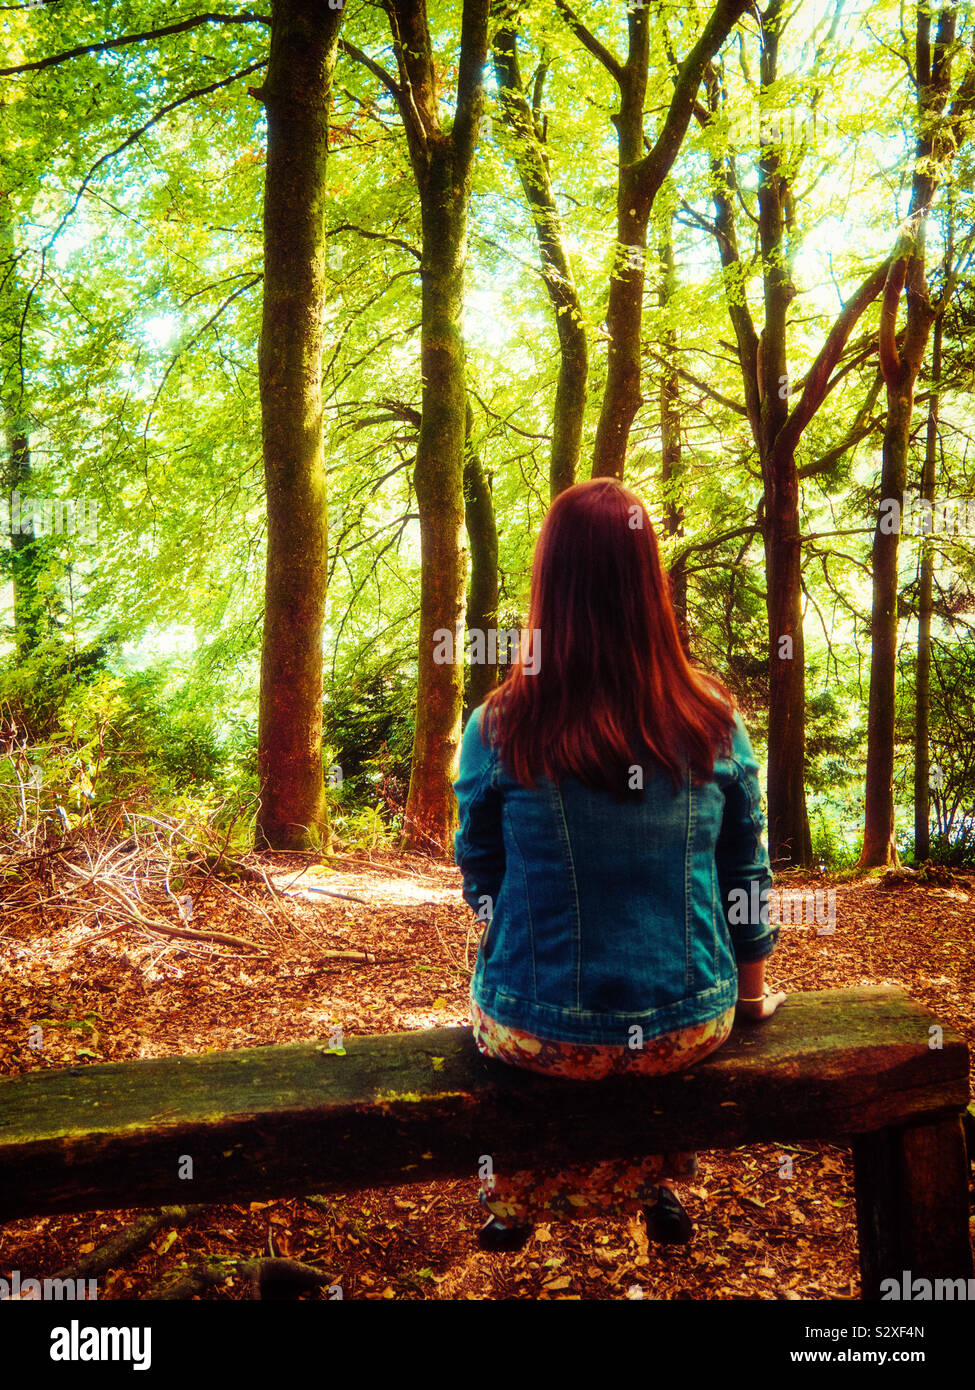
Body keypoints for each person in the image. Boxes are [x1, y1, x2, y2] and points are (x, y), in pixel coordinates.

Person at [453, 477, 785, 1252]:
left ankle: (519, 1202)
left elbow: (480, 871)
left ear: (549, 582)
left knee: (549, 1043)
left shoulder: (498, 724)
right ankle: (658, 1183)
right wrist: (750, 994)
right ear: (650, 585)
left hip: (535, 1030)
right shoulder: (712, 718)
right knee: (648, 1044)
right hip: (690, 1023)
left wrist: (518, 960)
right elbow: (746, 868)